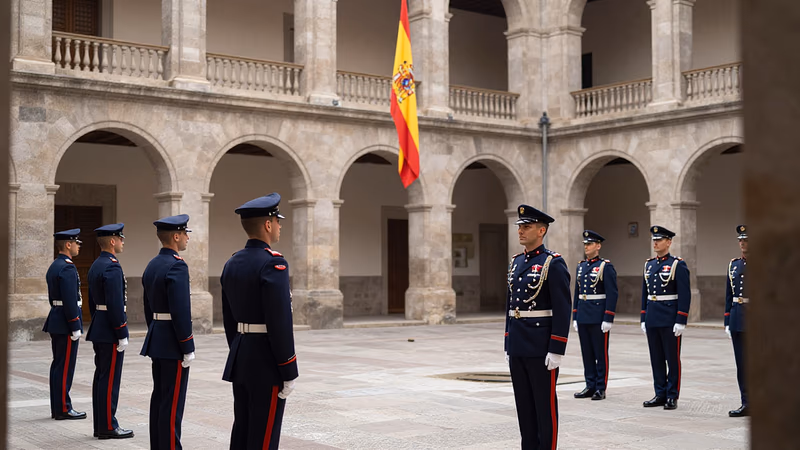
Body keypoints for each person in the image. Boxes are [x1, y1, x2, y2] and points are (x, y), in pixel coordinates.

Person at [221, 193, 298, 450]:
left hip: (241, 355)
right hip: (266, 361)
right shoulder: (273, 264)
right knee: (264, 434)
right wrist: (288, 369)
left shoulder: (232, 262)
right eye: (278, 221)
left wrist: (238, 348)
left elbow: (229, 318)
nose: (280, 226)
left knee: (242, 427)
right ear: (268, 224)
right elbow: (280, 322)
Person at [504, 204, 571, 450]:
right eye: (520, 226)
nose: (521, 231)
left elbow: (563, 309)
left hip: (541, 348)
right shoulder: (516, 262)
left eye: (527, 226)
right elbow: (510, 306)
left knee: (545, 407)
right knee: (524, 406)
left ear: (541, 230)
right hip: (519, 345)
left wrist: (557, 348)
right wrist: (507, 341)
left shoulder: (553, 263)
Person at [140, 214, 195, 449]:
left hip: (157, 337)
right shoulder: (177, 265)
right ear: (175, 236)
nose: (186, 239)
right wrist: (187, 345)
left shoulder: (152, 264)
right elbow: (181, 310)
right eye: (185, 234)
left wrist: (154, 330)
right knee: (172, 402)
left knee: (160, 398)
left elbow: (146, 306)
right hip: (173, 342)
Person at [86, 223, 133, 439]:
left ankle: (101, 425)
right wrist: (121, 331)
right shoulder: (113, 266)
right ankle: (107, 426)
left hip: (99, 326)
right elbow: (115, 303)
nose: (123, 241)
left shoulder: (97, 264)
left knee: (101, 377)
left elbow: (90, 301)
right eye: (121, 238)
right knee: (110, 379)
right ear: (112, 241)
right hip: (110, 330)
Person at [640, 225, 691, 411]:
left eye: (659, 239)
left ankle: (672, 395)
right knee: (656, 358)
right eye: (654, 239)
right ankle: (659, 393)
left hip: (669, 318)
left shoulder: (678, 264)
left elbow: (684, 294)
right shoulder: (649, 264)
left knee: (672, 358)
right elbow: (645, 293)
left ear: (668, 242)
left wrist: (681, 320)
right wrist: (643, 317)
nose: (655, 242)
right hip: (653, 316)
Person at [43, 228, 86, 420]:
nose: (78, 247)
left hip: (57, 319)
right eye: (76, 243)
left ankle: (58, 407)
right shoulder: (67, 267)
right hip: (65, 322)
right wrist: (75, 324)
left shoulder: (55, 265)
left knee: (58, 365)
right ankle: (63, 408)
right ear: (68, 245)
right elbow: (70, 299)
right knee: (65, 366)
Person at [572, 230, 618, 401]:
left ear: (598, 246)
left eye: (590, 244)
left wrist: (608, 317)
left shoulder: (605, 266)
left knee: (600, 353)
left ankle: (600, 387)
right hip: (584, 314)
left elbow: (612, 293)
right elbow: (577, 292)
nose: (587, 247)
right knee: (587, 353)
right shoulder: (581, 266)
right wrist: (575, 316)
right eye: (585, 244)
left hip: (598, 316)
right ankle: (589, 385)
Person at [725, 225, 748, 417]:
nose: (743, 243)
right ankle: (746, 402)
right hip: (737, 317)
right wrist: (727, 319)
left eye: (746, 240)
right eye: (741, 240)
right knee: (742, 364)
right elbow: (728, 294)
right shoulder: (734, 265)